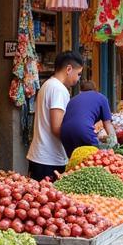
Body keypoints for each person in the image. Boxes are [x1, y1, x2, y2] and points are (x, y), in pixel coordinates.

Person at [26, 51, 83, 180]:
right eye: (78, 74)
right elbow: (57, 127)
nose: (78, 79)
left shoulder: (47, 85)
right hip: (49, 160)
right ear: (69, 69)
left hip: (41, 156)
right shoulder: (58, 89)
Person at [60, 80, 115, 156]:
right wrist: (114, 145)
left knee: (74, 160)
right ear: (96, 90)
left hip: (64, 132)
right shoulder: (101, 97)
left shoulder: (73, 99)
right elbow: (108, 124)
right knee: (94, 158)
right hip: (83, 130)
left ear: (80, 91)